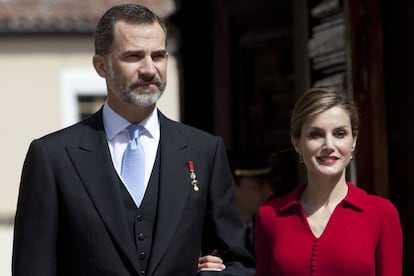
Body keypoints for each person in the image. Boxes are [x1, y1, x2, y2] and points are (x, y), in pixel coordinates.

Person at [12, 4, 255, 276]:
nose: (150, 69)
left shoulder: (204, 151)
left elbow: (239, 262)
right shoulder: (53, 157)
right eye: (134, 56)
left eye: (159, 55)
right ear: (101, 66)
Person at [255, 85, 403, 275]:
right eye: (315, 134)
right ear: (297, 142)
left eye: (340, 134)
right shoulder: (269, 216)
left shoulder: (382, 214)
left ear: (354, 140)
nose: (329, 145)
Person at [227, 149, 275, 257]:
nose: (270, 191)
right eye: (260, 183)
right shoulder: (209, 235)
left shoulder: (271, 231)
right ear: (232, 184)